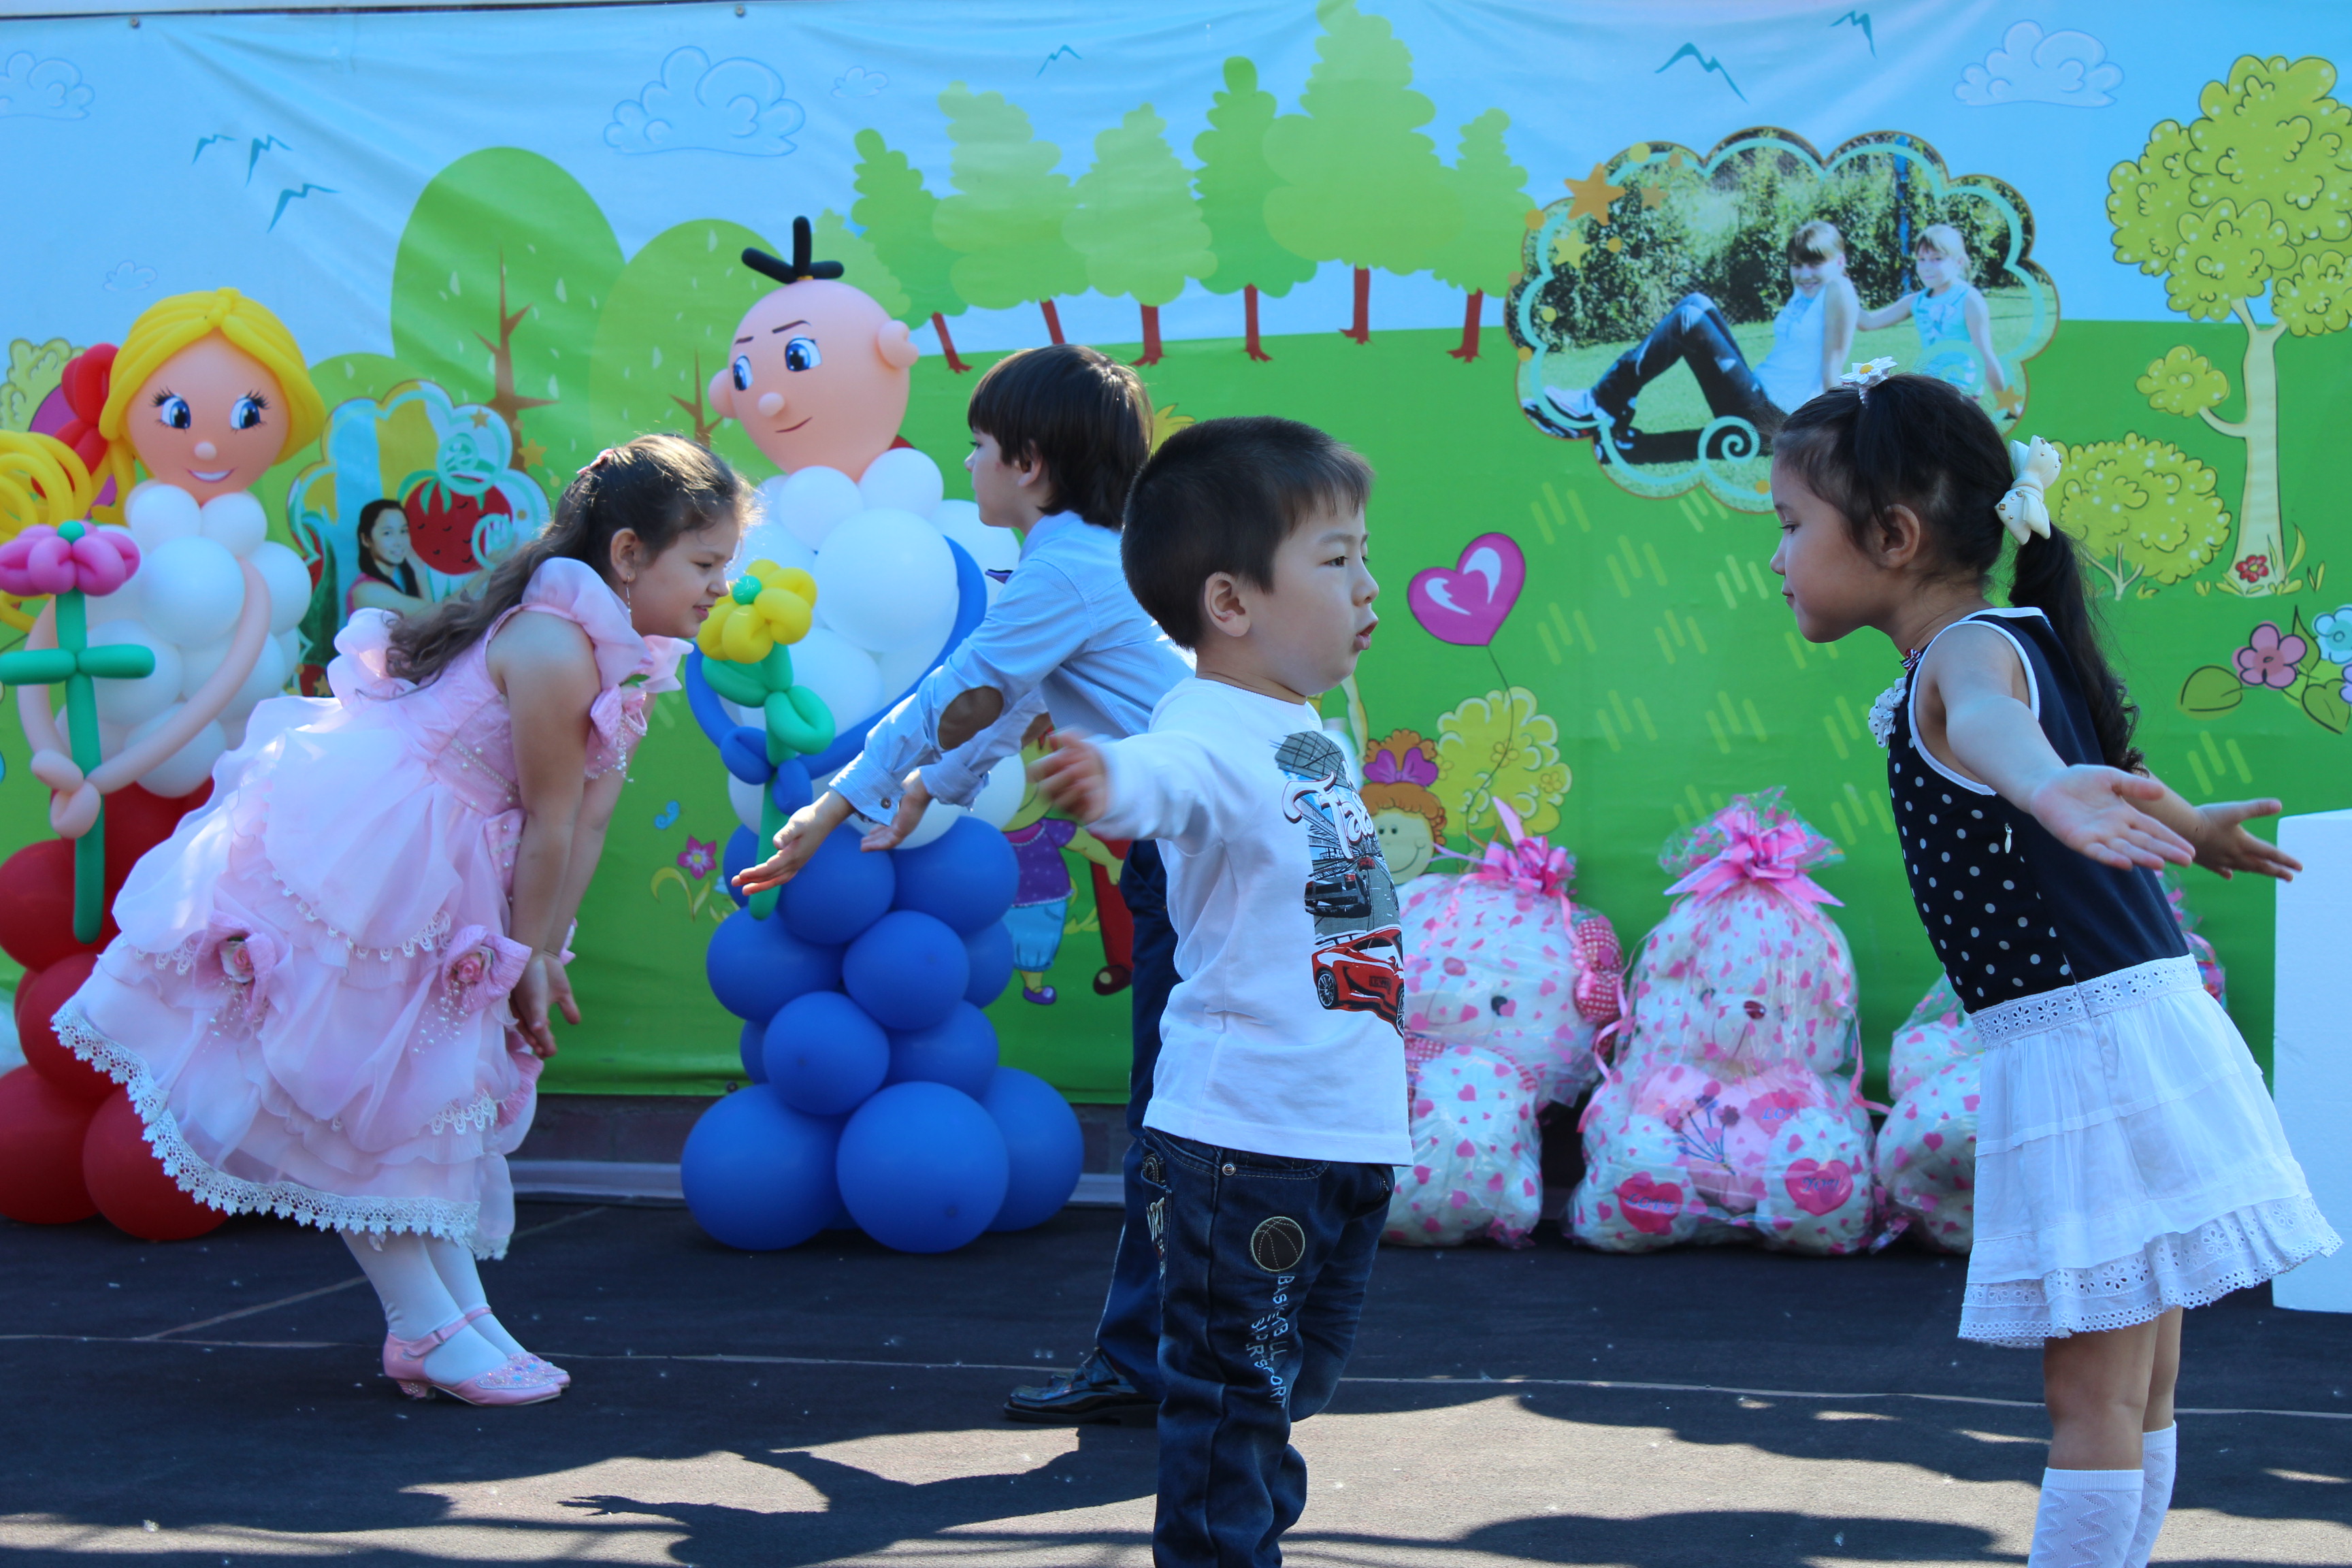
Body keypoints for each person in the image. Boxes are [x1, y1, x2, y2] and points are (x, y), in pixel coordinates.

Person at [1768, 370, 2338, 1568]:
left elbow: (1997, 730)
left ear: (1894, 536)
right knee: (2138, 1392)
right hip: (2131, 1026)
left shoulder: (1965, 656)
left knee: (2091, 1402)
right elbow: (2078, 758)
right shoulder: (2017, 638)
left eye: (1791, 525)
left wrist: (2039, 787)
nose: (1778, 556)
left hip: (2088, 1051)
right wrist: (2189, 823)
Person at [56, 434, 744, 1407]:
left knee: (416, 1099)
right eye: (706, 563)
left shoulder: (611, 656)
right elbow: (551, 822)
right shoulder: (553, 646)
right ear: (629, 554)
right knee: (357, 1095)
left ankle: (454, 1317)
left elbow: (585, 825)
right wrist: (518, 955)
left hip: (451, 874)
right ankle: (424, 1323)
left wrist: (542, 952)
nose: (720, 587)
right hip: (383, 865)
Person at [734, 343, 1192, 1423]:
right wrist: (925, 787)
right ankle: (1174, 1354)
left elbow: (970, 686)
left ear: (1030, 464)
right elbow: (1007, 696)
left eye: (980, 447)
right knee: (1189, 1118)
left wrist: (835, 806)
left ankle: (1159, 1361)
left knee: (1177, 1124)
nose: (970, 465)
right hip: (1198, 859)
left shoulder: (1069, 569)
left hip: (1198, 867)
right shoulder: (1097, 561)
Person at [1032, 415, 1405, 1568]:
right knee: (1233, 1390)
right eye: (1335, 560)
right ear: (1231, 603)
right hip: (1247, 1140)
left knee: (1285, 1383)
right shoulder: (1202, 726)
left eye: (1363, 555)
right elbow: (1167, 780)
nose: (1367, 585)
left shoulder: (1302, 731)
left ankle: (1243, 1530)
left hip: (1337, 1129)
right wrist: (1108, 779)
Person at [1529, 220, 1858, 454]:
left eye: (1815, 263)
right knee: (1696, 302)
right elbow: (1866, 320)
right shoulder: (1813, 295)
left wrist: (1839, 434)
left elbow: (1833, 366)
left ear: (1840, 262)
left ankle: (1599, 405)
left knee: (1689, 319)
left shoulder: (1838, 292)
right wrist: (1897, 309)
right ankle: (1609, 404)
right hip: (1762, 396)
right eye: (1796, 265)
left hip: (1774, 420)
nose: (1803, 273)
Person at [1857, 223, 2015, 411]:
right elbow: (1868, 323)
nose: (1926, 267)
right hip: (1930, 389)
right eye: (1922, 259)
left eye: (1937, 259)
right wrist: (1842, 291)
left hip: (1962, 391)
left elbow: (1984, 354)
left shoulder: (1968, 299)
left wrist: (2008, 404)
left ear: (1958, 262)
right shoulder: (1917, 301)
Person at [348, 497, 435, 619]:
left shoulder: (395, 581)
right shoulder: (366, 590)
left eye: (403, 531)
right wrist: (420, 575)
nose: (399, 542)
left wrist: (419, 571)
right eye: (388, 533)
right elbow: (432, 616)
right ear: (366, 540)